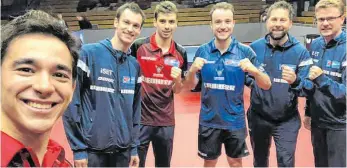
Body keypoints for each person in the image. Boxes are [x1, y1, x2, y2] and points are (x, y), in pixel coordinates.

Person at [185, 2, 271, 167]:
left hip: (235, 122)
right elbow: (190, 85)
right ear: (211, 25)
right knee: (209, 163)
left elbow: (266, 84)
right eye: (218, 22)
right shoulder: (202, 51)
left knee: (235, 163)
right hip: (209, 121)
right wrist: (191, 71)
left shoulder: (245, 52)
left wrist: (255, 71)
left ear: (233, 23)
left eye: (227, 21)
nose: (222, 26)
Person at [63, 2, 145, 167]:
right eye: (126, 22)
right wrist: (78, 149)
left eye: (135, 25)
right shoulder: (89, 54)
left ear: (140, 30)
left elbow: (136, 112)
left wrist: (134, 147)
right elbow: (71, 103)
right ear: (116, 22)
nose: (130, 29)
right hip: (93, 152)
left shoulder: (134, 66)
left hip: (123, 152)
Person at [1, 10, 79, 167]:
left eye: (59, 74)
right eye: (26, 70)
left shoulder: (62, 163)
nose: (44, 87)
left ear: (72, 88)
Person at [246, 1, 313, 167]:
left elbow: (308, 87)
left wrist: (295, 81)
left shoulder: (301, 52)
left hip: (287, 121)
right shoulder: (254, 48)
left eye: (282, 20)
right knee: (259, 161)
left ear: (290, 23)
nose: (277, 24)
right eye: (273, 19)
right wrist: (256, 82)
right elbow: (245, 77)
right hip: (258, 117)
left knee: (286, 163)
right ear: (267, 21)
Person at [130, 1, 187, 167]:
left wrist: (177, 80)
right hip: (140, 119)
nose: (167, 26)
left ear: (176, 24)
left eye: (171, 22)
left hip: (165, 121)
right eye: (162, 21)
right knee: (135, 164)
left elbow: (177, 90)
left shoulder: (180, 53)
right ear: (155, 22)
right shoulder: (139, 46)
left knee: (163, 165)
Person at [303, 0, 346, 167]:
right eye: (321, 19)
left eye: (330, 18)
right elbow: (311, 83)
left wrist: (322, 79)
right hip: (318, 120)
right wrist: (308, 111)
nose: (325, 23)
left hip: (340, 124)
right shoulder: (316, 44)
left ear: (342, 19)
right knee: (320, 164)